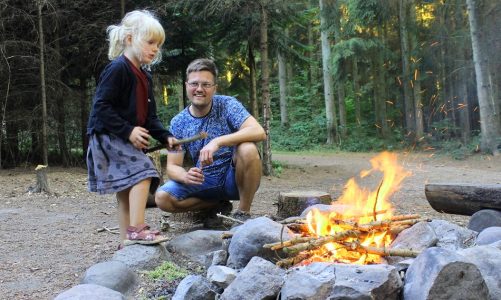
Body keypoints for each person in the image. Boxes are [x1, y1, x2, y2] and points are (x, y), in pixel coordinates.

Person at [86, 10, 178, 247]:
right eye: (150, 42)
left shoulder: (145, 77)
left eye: (158, 44)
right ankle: (137, 229)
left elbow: (150, 118)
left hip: (122, 137)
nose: (155, 48)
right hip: (108, 137)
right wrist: (128, 131)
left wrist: (166, 136)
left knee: (127, 190)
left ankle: (126, 240)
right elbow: (101, 107)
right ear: (129, 40)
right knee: (144, 172)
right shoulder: (118, 69)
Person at [155, 58, 266, 227]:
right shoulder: (178, 122)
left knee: (248, 148)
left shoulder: (227, 105)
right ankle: (217, 204)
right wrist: (185, 176)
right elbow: (172, 166)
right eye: (194, 84)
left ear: (214, 88)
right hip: (204, 181)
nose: (199, 89)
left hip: (235, 180)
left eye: (206, 84)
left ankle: (243, 213)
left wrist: (217, 142)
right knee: (162, 198)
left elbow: (258, 131)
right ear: (186, 86)